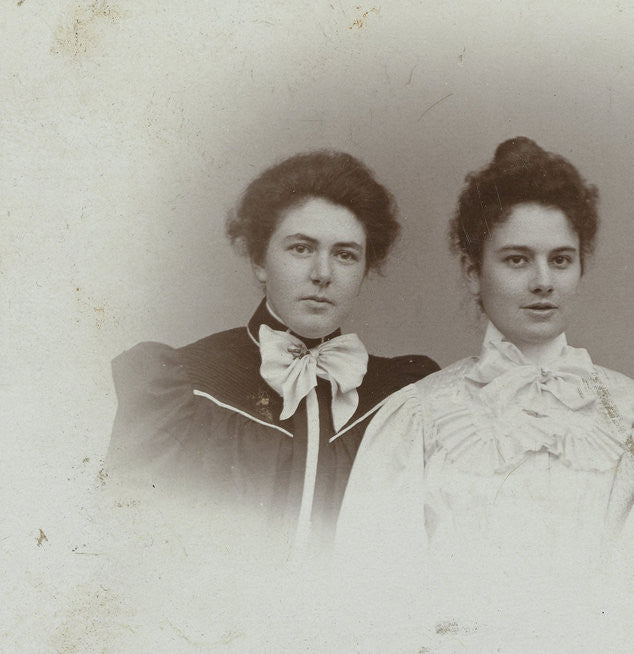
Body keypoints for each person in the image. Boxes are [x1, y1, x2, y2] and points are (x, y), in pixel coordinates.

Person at [333, 138, 634, 640]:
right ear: (474, 273)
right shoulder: (420, 416)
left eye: (561, 260)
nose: (543, 282)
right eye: (517, 260)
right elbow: (372, 598)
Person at [106, 150, 439, 558]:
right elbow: (123, 547)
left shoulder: (398, 399)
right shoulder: (186, 386)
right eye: (301, 248)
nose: (323, 273)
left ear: (365, 269)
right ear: (259, 260)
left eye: (345, 254)